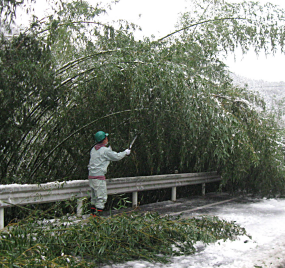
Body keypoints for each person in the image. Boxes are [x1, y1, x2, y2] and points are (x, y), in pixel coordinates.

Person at [88, 131, 131, 217]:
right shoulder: (105, 151)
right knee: (101, 199)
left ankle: (92, 218)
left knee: (94, 198)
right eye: (106, 137)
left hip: (91, 177)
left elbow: (102, 158)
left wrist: (109, 150)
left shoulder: (93, 149)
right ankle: (97, 219)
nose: (107, 139)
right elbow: (116, 156)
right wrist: (125, 152)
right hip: (99, 178)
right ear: (104, 139)